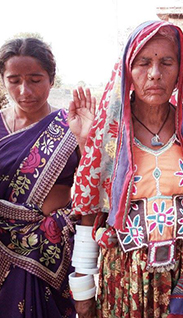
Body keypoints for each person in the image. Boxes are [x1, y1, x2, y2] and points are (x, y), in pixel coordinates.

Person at [70, 20, 183, 318]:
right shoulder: (109, 136)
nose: (155, 74)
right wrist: (83, 290)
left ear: (179, 69)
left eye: (167, 62)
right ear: (127, 70)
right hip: (126, 279)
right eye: (143, 63)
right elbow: (89, 211)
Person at [0, 37, 95, 317]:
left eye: (35, 79)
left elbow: (94, 194)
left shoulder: (70, 126)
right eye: (14, 80)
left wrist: (85, 140)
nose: (24, 90)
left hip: (52, 255)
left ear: (51, 80)